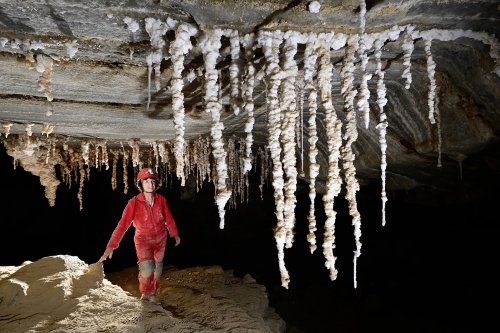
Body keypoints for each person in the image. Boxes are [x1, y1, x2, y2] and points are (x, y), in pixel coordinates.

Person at [98, 167, 181, 304]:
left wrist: (174, 233)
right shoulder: (133, 203)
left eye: (153, 181)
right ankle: (145, 292)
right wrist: (111, 246)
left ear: (156, 184)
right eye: (146, 181)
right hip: (143, 240)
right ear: (140, 184)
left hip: (161, 238)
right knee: (147, 267)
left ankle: (153, 292)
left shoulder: (161, 200)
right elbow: (122, 225)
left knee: (158, 268)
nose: (150, 184)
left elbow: (169, 218)